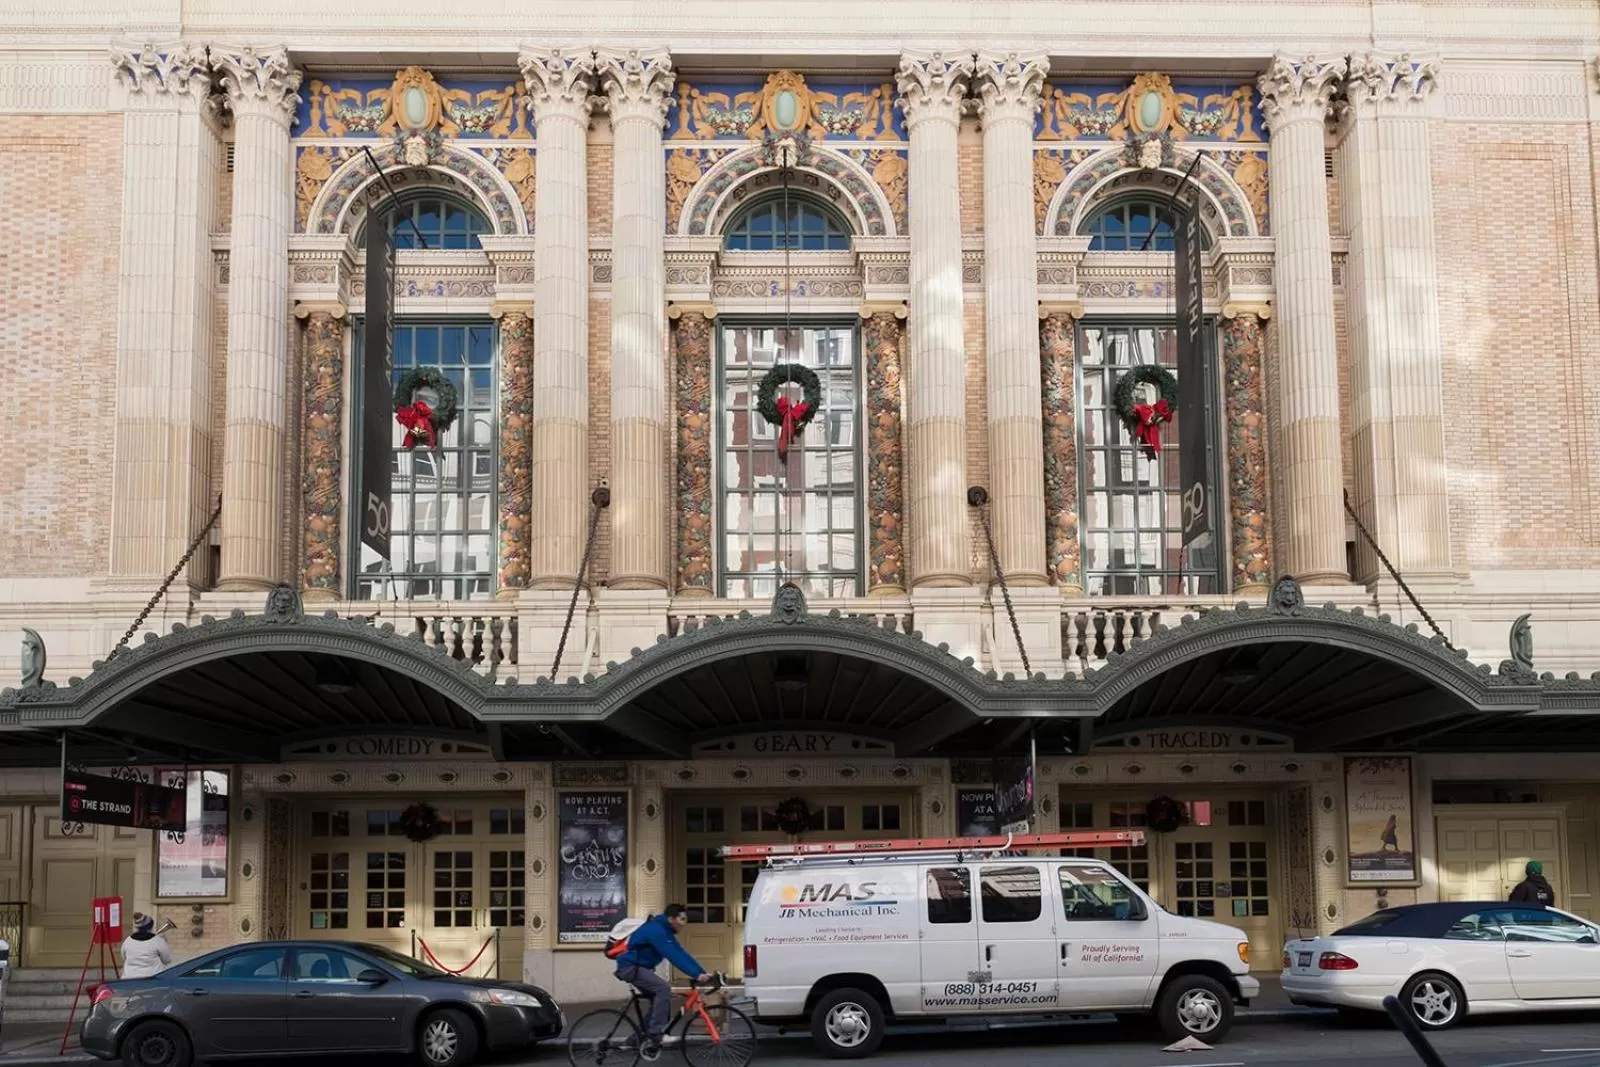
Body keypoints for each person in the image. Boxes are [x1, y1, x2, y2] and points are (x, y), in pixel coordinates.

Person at [613, 904, 708, 1059]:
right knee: (663, 989)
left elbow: (680, 952)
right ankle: (656, 1033)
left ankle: (634, 1040)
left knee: (658, 1000)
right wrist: (696, 975)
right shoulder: (656, 930)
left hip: (638, 968)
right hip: (631, 967)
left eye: (686, 919)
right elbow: (672, 955)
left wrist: (701, 972)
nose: (684, 923)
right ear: (671, 919)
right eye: (682, 919)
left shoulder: (665, 931)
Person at [121, 914, 172, 979]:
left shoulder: (128, 940)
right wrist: (164, 942)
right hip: (152, 979)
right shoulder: (158, 940)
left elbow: (124, 957)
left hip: (129, 978)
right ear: (150, 926)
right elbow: (167, 960)